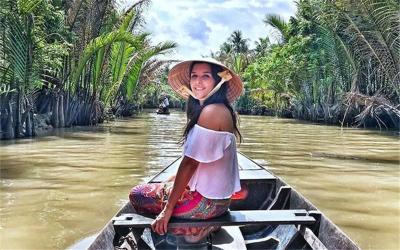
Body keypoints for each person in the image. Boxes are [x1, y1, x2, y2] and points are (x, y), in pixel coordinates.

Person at [129, 58, 243, 243]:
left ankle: (192, 230)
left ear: (218, 81)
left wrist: (167, 211)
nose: (198, 82)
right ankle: (200, 224)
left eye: (205, 76)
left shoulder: (211, 112)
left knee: (138, 195)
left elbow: (190, 163)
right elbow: (197, 162)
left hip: (207, 205)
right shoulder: (219, 109)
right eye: (194, 76)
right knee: (169, 180)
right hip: (220, 203)